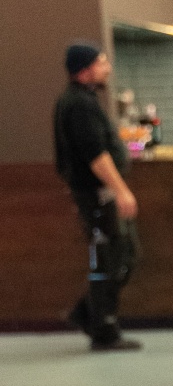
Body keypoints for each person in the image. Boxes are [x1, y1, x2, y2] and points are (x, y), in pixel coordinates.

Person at [53, 41, 141, 352]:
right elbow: (96, 155)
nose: (107, 68)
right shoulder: (79, 105)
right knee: (112, 258)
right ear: (85, 69)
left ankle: (87, 314)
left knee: (121, 255)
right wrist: (121, 190)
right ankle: (102, 327)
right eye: (101, 62)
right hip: (98, 196)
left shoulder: (81, 100)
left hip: (98, 194)